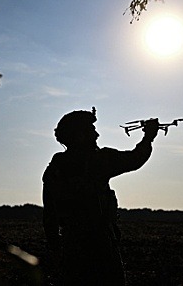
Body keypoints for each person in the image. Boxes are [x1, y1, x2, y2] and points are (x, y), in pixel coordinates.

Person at [42, 108, 159, 285]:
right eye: (91, 130)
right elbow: (135, 159)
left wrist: (55, 248)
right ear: (80, 136)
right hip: (100, 246)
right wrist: (148, 137)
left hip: (72, 247)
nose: (96, 134)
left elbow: (49, 214)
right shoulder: (98, 160)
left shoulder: (55, 169)